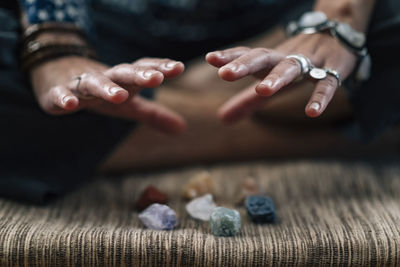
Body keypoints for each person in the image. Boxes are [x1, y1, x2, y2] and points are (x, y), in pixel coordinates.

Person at [0, 0, 399, 203]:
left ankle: (148, 115)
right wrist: (53, 43)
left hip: (285, 21)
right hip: (101, 23)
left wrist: (339, 22)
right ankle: (335, 132)